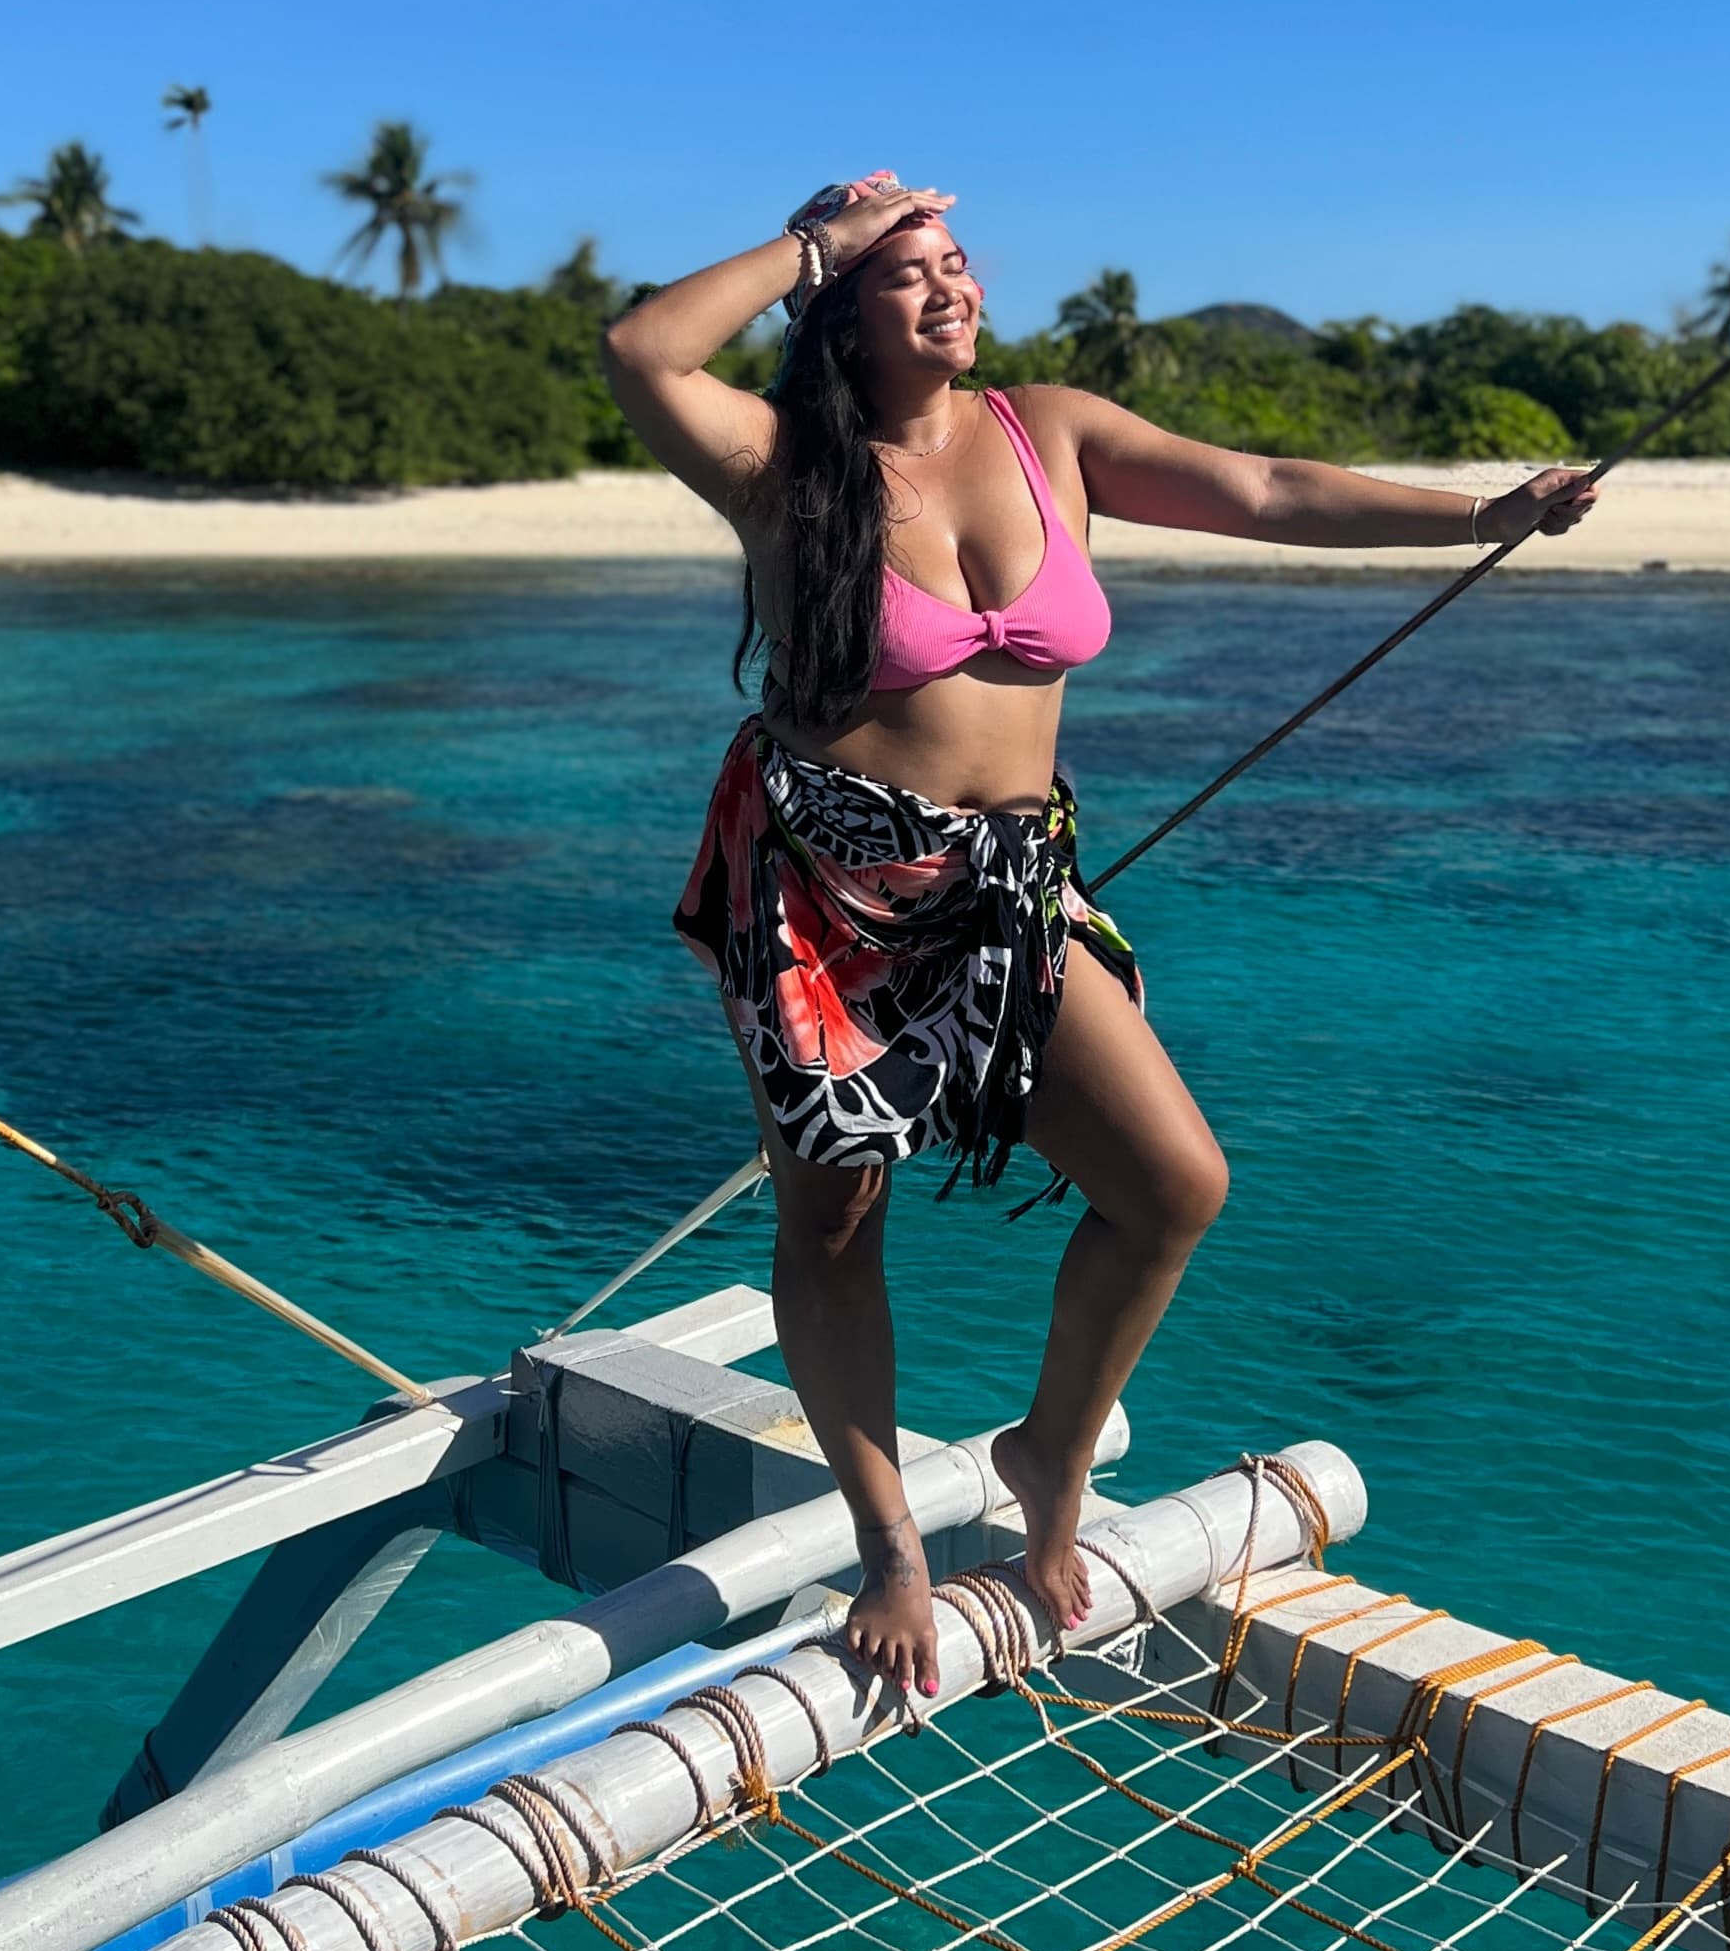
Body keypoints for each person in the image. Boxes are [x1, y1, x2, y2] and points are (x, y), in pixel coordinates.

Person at [603, 175, 1597, 1694]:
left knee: (1173, 1183)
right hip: (829, 896)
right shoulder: (786, 465)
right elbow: (643, 352)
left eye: (956, 263)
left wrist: (1485, 514)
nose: (951, 288)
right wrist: (813, 243)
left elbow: (1264, 489)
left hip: (1013, 886)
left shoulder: (1045, 430)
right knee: (835, 1224)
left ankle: (1047, 1453)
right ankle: (889, 1544)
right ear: (838, 309)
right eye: (906, 272)